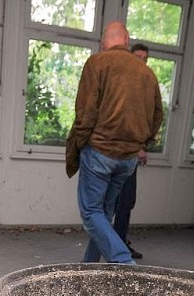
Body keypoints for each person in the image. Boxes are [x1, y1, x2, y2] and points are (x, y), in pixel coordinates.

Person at [66, 23, 162, 264]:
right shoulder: (147, 73)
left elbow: (86, 111)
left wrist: (80, 144)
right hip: (128, 158)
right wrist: (141, 141)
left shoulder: (97, 63)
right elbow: (158, 115)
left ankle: (123, 261)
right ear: (126, 41)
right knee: (104, 213)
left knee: (91, 213)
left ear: (103, 42)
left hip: (100, 150)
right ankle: (89, 267)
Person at [113, 43, 151, 260]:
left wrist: (141, 147)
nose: (141, 62)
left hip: (130, 154)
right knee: (110, 203)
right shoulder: (122, 84)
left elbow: (144, 121)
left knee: (126, 202)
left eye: (144, 59)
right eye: (137, 57)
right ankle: (116, 249)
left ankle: (119, 243)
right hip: (115, 152)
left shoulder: (144, 86)